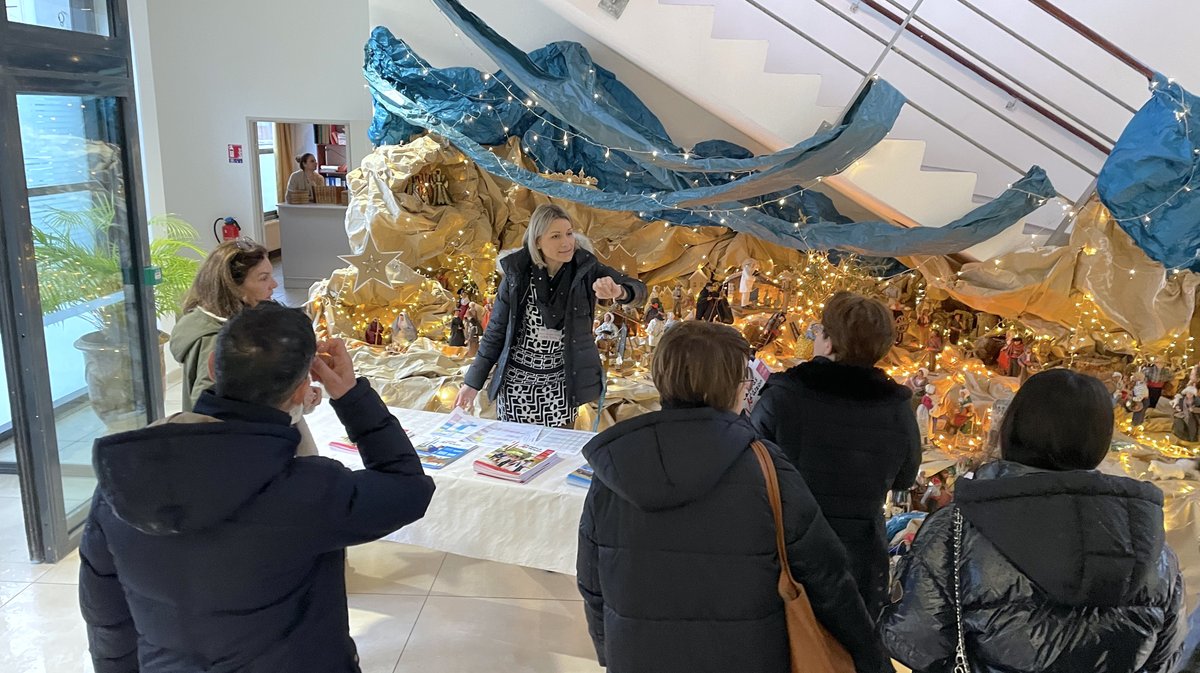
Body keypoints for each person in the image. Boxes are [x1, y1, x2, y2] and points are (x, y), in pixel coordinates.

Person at [79, 304, 437, 672]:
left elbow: (107, 620)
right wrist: (349, 395)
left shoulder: (121, 485)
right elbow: (409, 487)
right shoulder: (310, 492)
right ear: (302, 391)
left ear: (213, 367)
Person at [577, 321, 886, 673]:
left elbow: (592, 582)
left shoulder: (615, 467)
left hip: (639, 657)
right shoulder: (766, 466)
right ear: (734, 389)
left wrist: (611, 651)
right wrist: (869, 657)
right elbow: (827, 576)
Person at [880, 369, 1185, 673]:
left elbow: (913, 641)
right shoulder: (1151, 547)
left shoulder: (955, 532)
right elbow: (1164, 658)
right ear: (1101, 440)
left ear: (1013, 427)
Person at [751, 291, 921, 619]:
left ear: (828, 344)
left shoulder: (783, 396)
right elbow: (905, 476)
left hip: (787, 549)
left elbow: (753, 467)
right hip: (860, 557)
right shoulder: (897, 407)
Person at [455, 203, 646, 427]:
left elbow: (639, 289)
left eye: (568, 233)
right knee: (518, 453)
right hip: (517, 385)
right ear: (537, 241)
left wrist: (619, 291)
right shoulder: (517, 275)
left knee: (557, 453)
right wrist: (472, 383)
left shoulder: (586, 268)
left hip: (562, 385)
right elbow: (495, 331)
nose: (566, 242)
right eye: (555, 236)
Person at [170, 238, 278, 413]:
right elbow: (208, 411)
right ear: (233, 287)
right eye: (264, 278)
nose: (274, 285)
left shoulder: (222, 327)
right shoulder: (216, 342)